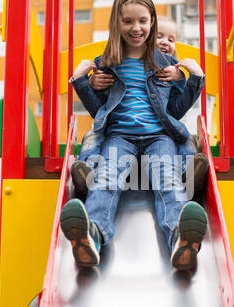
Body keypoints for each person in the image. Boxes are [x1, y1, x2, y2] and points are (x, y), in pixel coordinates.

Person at [60, 0, 207, 272]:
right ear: (116, 23)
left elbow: (174, 111)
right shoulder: (106, 65)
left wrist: (194, 79)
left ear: (152, 21)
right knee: (105, 179)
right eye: (127, 21)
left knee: (169, 181)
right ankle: (91, 235)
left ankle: (181, 238)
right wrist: (81, 82)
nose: (135, 28)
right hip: (119, 136)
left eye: (142, 20)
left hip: (158, 137)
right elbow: (98, 111)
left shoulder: (166, 64)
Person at [71, 15, 209, 196]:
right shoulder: (117, 66)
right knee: (93, 135)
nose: (165, 42)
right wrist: (88, 83)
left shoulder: (172, 72)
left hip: (158, 143)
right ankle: (89, 171)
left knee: (184, 136)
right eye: (159, 36)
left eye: (171, 39)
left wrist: (185, 81)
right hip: (119, 140)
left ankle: (187, 172)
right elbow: (100, 108)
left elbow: (175, 111)